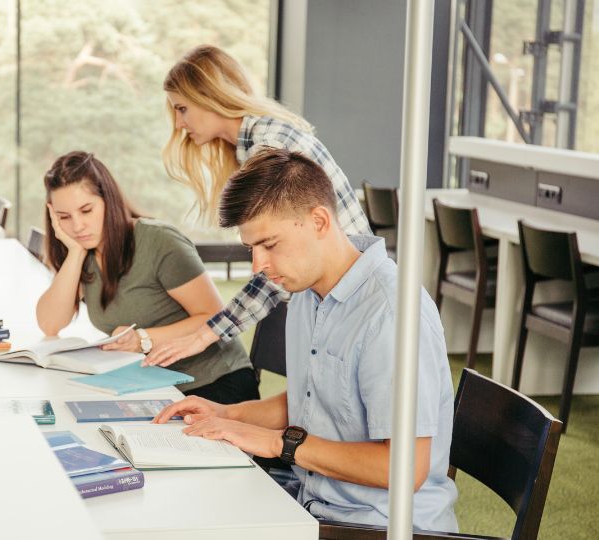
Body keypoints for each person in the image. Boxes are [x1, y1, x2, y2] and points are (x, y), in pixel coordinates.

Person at [154, 148, 458, 532]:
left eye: (270, 244)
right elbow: (316, 399)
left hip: (379, 527)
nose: (258, 266)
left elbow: (405, 469)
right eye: (252, 249)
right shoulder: (306, 295)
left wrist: (278, 443)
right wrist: (226, 414)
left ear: (318, 221)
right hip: (315, 502)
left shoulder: (391, 315)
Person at [146, 44, 372, 368]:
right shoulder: (253, 143)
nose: (179, 124)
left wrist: (206, 334)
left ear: (209, 95)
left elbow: (278, 261)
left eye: (182, 109)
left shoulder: (268, 144)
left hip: (350, 301)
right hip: (331, 299)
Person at [36, 151, 258, 404]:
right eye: (64, 217)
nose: (77, 226)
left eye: (86, 210)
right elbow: (50, 324)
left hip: (213, 383)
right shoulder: (83, 252)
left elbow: (215, 317)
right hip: (150, 383)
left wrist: (143, 339)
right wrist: (75, 253)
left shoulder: (159, 241)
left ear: (109, 201)